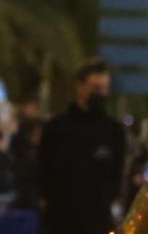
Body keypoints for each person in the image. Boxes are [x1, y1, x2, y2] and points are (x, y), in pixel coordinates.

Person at [40, 58, 126, 234]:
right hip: (60, 220)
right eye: (96, 88)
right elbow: (42, 170)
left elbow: (116, 176)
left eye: (105, 88)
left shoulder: (114, 132)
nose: (101, 94)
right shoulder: (56, 128)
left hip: (98, 221)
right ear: (80, 86)